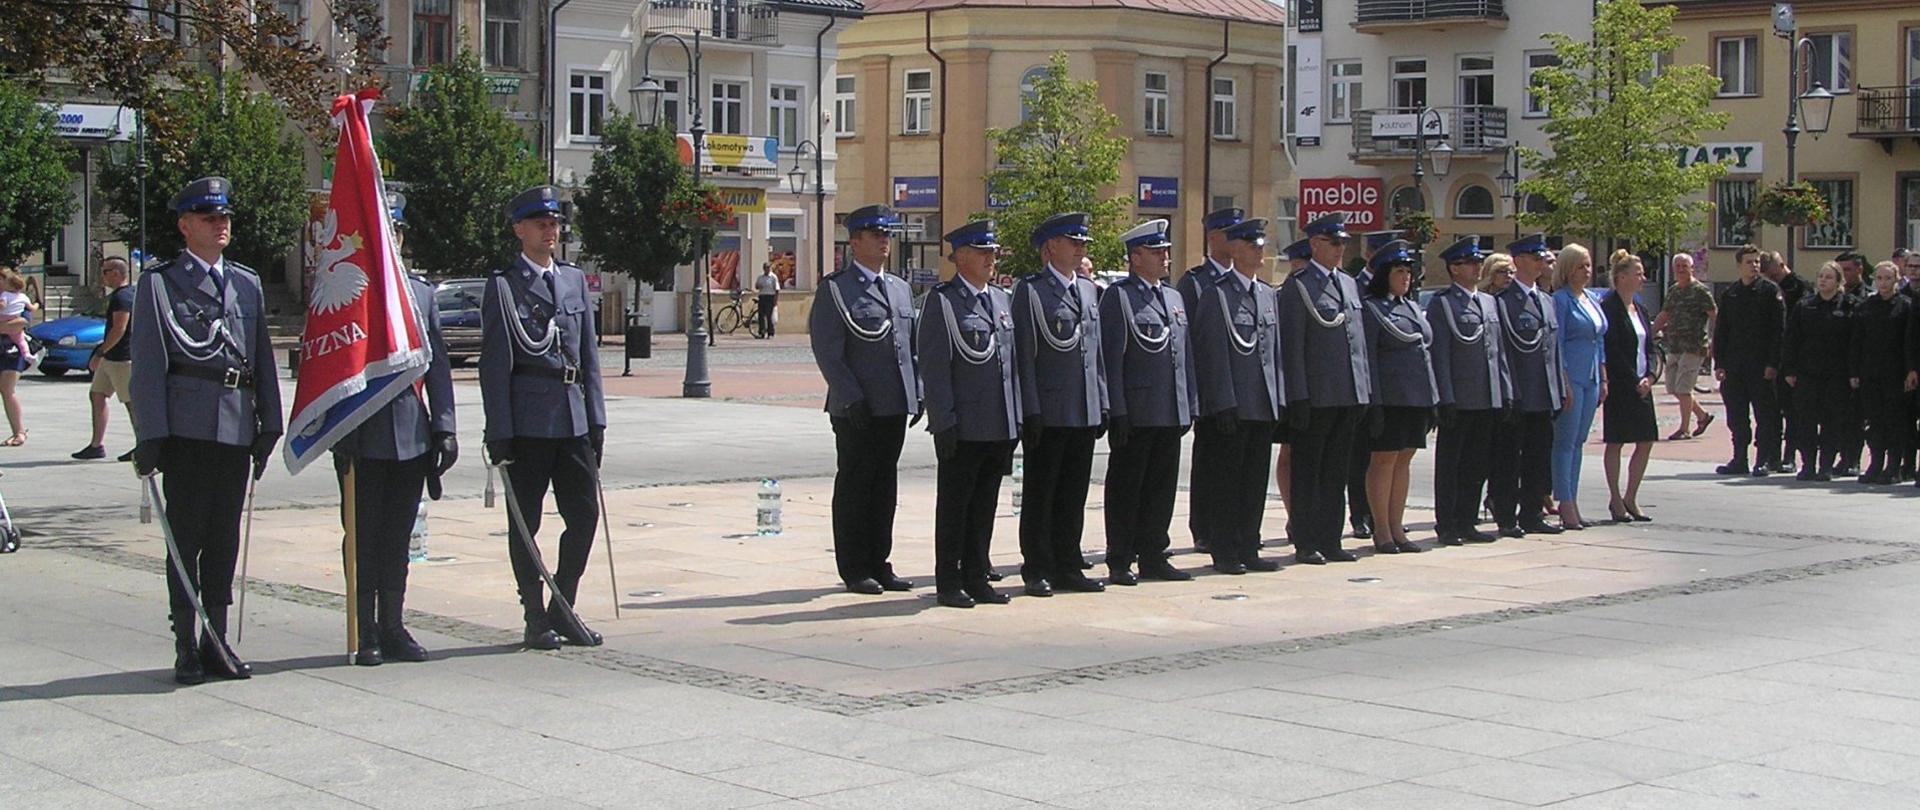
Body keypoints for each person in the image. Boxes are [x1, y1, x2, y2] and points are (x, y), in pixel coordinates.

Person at [130, 176, 284, 685]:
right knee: (187, 539)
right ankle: (185, 645)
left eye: (225, 218)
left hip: (236, 426)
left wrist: (269, 422)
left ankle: (216, 641)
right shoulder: (161, 282)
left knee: (224, 541)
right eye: (209, 218)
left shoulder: (245, 281)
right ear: (185, 225)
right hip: (187, 428)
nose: (221, 226)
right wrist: (151, 433)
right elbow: (148, 366)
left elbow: (261, 354)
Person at [481, 185, 609, 649]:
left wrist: (597, 419)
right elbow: (494, 365)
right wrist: (499, 430)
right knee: (526, 524)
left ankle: (563, 604)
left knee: (584, 515)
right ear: (520, 230)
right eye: (540, 223)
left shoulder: (573, 280)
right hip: (529, 421)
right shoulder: (503, 285)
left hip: (573, 417)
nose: (550, 230)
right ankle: (535, 614)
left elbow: (590, 356)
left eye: (554, 223)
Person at [334, 271, 457, 664]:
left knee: (397, 539)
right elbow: (329, 360)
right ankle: (365, 627)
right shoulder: (347, 289)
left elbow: (436, 364)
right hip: (362, 436)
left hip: (410, 434)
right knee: (363, 537)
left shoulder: (419, 291)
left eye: (398, 232)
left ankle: (392, 624)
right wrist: (339, 425)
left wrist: (444, 427)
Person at [810, 204, 920, 596]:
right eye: (875, 234)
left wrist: (916, 391)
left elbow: (910, 346)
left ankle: (880, 561)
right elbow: (828, 350)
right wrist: (849, 395)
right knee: (856, 485)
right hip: (857, 407)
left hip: (892, 404)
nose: (884, 241)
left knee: (885, 485)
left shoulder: (899, 288)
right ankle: (855, 567)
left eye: (887, 234)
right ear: (855, 241)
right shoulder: (837, 289)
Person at [917, 220, 1018, 608]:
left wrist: (1016, 418)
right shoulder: (942, 301)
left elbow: (1010, 366)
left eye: (993, 252)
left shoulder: (1000, 300)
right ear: (960, 257)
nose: (990, 258)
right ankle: (949, 580)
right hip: (963, 424)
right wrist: (943, 421)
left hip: (996, 422)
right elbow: (935, 366)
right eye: (982, 251)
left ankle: (977, 575)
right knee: (956, 506)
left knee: (985, 505)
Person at [1011, 212, 1109, 595]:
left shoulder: (1086, 291)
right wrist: (1030, 408)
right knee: (1040, 491)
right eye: (1074, 241)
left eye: (1083, 241)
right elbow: (1025, 354)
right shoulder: (1031, 292)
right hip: (1049, 411)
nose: (1080, 247)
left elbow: (1094, 352)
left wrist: (1101, 400)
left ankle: (1068, 563)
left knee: (1073, 493)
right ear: (1050, 248)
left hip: (1082, 407)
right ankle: (1037, 565)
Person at [1100, 219, 1197, 584]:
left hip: (1169, 408)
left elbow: (1184, 355)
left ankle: (1154, 553)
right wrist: (1118, 410)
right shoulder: (1119, 296)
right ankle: (1120, 556)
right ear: (1135, 257)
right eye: (1157, 252)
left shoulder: (1172, 298)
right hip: (1137, 411)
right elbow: (1112, 358)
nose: (1165, 258)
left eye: (1165, 251)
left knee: (1161, 487)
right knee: (1128, 486)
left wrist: (1188, 402)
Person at [1192, 217, 1284, 574]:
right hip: (1232, 405)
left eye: (1261, 245)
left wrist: (1279, 399)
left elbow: (1272, 353)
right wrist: (1223, 402)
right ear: (1235, 249)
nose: (1260, 252)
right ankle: (1225, 548)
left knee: (1254, 480)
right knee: (1227, 482)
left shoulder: (1266, 295)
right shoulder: (1218, 293)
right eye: (1252, 246)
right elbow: (1213, 353)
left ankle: (1248, 544)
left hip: (1261, 403)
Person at [1279, 212, 1371, 565]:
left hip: (1346, 393)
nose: (1340, 249)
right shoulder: (1299, 285)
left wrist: (1363, 390)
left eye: (1344, 243)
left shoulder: (1347, 284)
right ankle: (1306, 540)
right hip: (1316, 395)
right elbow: (1293, 344)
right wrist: (1298, 395)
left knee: (1337, 471)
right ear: (1315, 244)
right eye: (1334, 243)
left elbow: (1357, 342)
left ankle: (1331, 538)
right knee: (1309, 471)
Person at [1428, 237, 1508, 545]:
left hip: (1486, 396)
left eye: (1478, 262)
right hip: (1459, 398)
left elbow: (1497, 352)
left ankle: (1466, 519)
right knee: (1452, 464)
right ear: (1454, 269)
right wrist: (1445, 397)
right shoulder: (1443, 303)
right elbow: (1442, 354)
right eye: (1470, 263)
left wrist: (1504, 392)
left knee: (1476, 463)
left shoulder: (1488, 302)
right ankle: (1447, 523)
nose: (1477, 268)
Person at [1364, 239, 1440, 553]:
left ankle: (1397, 527)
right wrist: (1374, 403)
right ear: (1384, 274)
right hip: (1390, 397)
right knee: (1384, 461)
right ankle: (1381, 529)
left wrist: (1433, 399)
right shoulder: (1372, 307)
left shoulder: (1410, 306)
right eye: (1399, 270)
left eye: (1409, 271)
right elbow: (1369, 357)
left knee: (1403, 460)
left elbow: (1424, 353)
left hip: (1415, 397)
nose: (1406, 277)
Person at [1490, 235, 1566, 536]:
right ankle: (1506, 515)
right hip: (1519, 394)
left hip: (1543, 393)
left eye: (1542, 258)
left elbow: (1553, 350)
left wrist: (1559, 387)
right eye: (1535, 257)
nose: (1540, 263)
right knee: (1509, 459)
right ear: (1519, 261)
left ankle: (1532, 513)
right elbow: (1502, 353)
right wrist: (1509, 392)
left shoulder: (1545, 301)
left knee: (1538, 457)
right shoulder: (1504, 302)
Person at [1178, 207, 1242, 555]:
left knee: (1234, 468)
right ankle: (1203, 527)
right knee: (1209, 463)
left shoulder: (1244, 281)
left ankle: (1231, 528)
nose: (1234, 240)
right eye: (1227, 232)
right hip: (1208, 390)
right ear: (1212, 237)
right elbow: (1188, 342)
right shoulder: (1195, 283)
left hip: (1238, 391)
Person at [1550, 243, 1607, 530]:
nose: (1585, 271)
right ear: (1567, 269)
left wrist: (1603, 376)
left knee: (1580, 442)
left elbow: (1600, 340)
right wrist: (1563, 381)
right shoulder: (1560, 300)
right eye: (1579, 266)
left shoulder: (1592, 299)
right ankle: (1565, 500)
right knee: (1565, 441)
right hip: (1571, 375)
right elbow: (1556, 343)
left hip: (1592, 377)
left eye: (1588, 266)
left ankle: (1573, 495)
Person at [1715, 245, 1786, 477]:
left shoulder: (1769, 291)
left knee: (1765, 415)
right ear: (1739, 265)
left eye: (1757, 262)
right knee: (1736, 414)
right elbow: (1722, 330)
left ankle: (1764, 459)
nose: (1754, 266)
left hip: (1760, 364)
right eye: (1749, 262)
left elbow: (1779, 331)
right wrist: (1720, 363)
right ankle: (1739, 458)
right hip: (1735, 364)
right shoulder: (1731, 293)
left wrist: (1773, 363)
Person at [1782, 262, 1853, 481]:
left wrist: (1853, 372)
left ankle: (1826, 466)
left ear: (1839, 282)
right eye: (1821, 276)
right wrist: (1790, 369)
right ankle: (1808, 465)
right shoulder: (1805, 306)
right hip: (1808, 373)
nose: (1823, 281)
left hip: (1836, 375)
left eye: (1829, 277)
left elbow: (1854, 342)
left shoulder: (1849, 306)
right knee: (1807, 422)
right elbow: (1792, 339)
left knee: (1832, 422)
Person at [1600, 251, 1657, 522]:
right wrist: (1632, 378)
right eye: (1638, 273)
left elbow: (1651, 347)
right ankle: (1615, 499)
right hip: (1621, 385)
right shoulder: (1608, 307)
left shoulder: (1641, 308)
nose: (1642, 278)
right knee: (1616, 441)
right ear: (1622, 277)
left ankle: (1631, 496)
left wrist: (1651, 376)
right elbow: (1611, 349)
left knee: (1645, 440)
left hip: (1643, 384)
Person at [1849, 261, 1916, 485]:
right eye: (1879, 278)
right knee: (1875, 421)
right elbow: (1857, 342)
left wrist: (1910, 370)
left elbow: (1910, 341)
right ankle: (1876, 463)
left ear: (1897, 280)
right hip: (1870, 372)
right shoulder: (1866, 306)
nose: (1883, 283)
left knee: (1895, 421)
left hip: (1896, 373)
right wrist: (1855, 371)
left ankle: (1894, 466)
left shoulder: (1906, 306)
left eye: (1888, 278)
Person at [73, 258, 137, 461]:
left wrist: (100, 352)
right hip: (111, 357)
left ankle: (143, 445)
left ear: (117, 273)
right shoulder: (123, 295)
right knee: (97, 395)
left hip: (122, 358)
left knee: (131, 403)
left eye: (105, 271)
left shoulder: (123, 297)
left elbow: (120, 328)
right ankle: (96, 445)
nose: (102, 276)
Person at [1652, 252, 1716, 441]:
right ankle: (1702, 416)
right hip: (1675, 346)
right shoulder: (1674, 291)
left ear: (1692, 268)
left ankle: (1684, 429)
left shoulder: (1700, 291)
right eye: (1677, 267)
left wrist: (1715, 340)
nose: (1680, 270)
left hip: (1694, 346)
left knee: (1683, 389)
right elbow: (1664, 314)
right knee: (1672, 387)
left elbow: (1714, 315)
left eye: (1684, 266)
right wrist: (1649, 333)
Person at [1759, 251, 1806, 473]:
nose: (1770, 279)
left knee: (1792, 411)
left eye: (1772, 274)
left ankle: (1790, 455)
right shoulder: (1766, 289)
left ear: (1780, 265)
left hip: (1790, 356)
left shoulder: (1799, 287)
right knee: (1771, 411)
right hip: (1770, 355)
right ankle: (1772, 456)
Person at [0, 266, 32, 447]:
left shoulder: (17, 299)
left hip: (13, 350)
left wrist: (6, 325)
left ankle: (19, 432)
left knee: (7, 389)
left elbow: (22, 323)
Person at [754, 262, 780, 338]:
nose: (767, 269)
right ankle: (761, 332)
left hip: (770, 297)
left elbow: (777, 289)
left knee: (769, 316)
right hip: (762, 297)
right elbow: (756, 287)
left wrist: (775, 300)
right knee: (761, 315)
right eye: (765, 268)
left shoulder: (773, 277)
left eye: (768, 268)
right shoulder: (760, 277)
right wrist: (758, 286)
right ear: (763, 269)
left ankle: (770, 332)